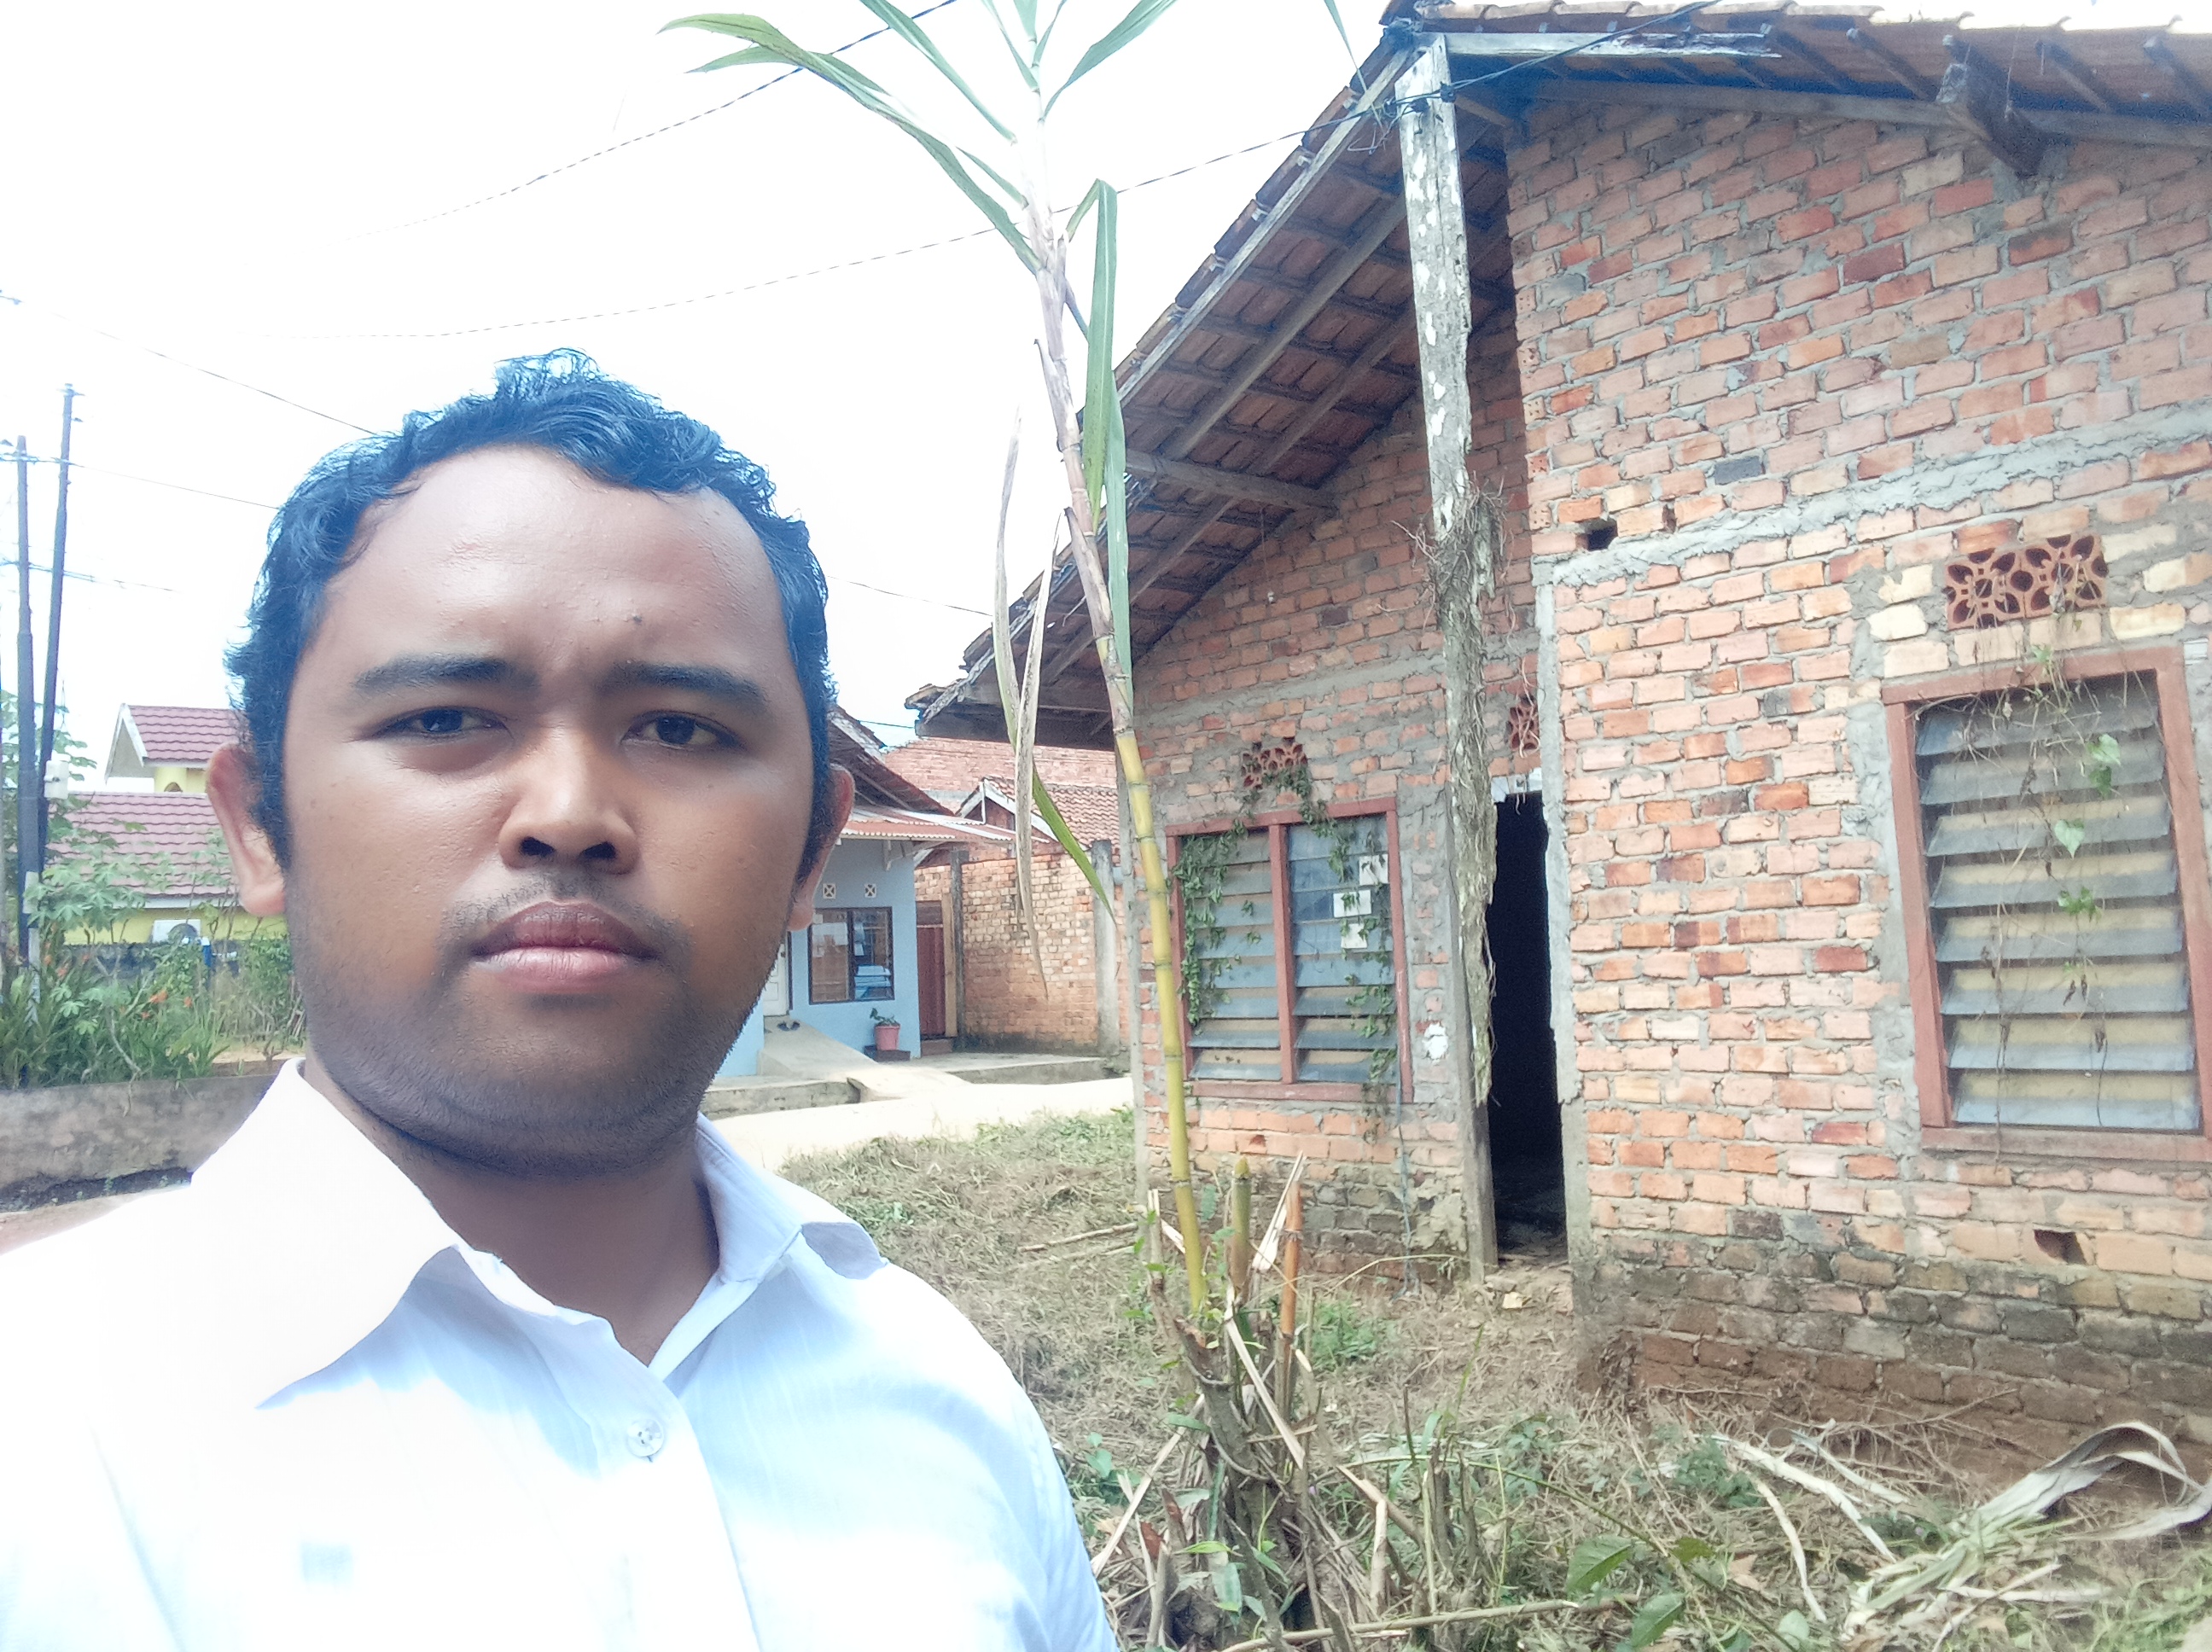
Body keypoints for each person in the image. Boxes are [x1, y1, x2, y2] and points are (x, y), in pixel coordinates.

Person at [0, 353, 1114, 1651]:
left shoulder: (946, 1400)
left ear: (814, 847)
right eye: (445, 717)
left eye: (680, 730)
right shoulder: (46, 1432)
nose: (572, 815)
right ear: (261, 828)